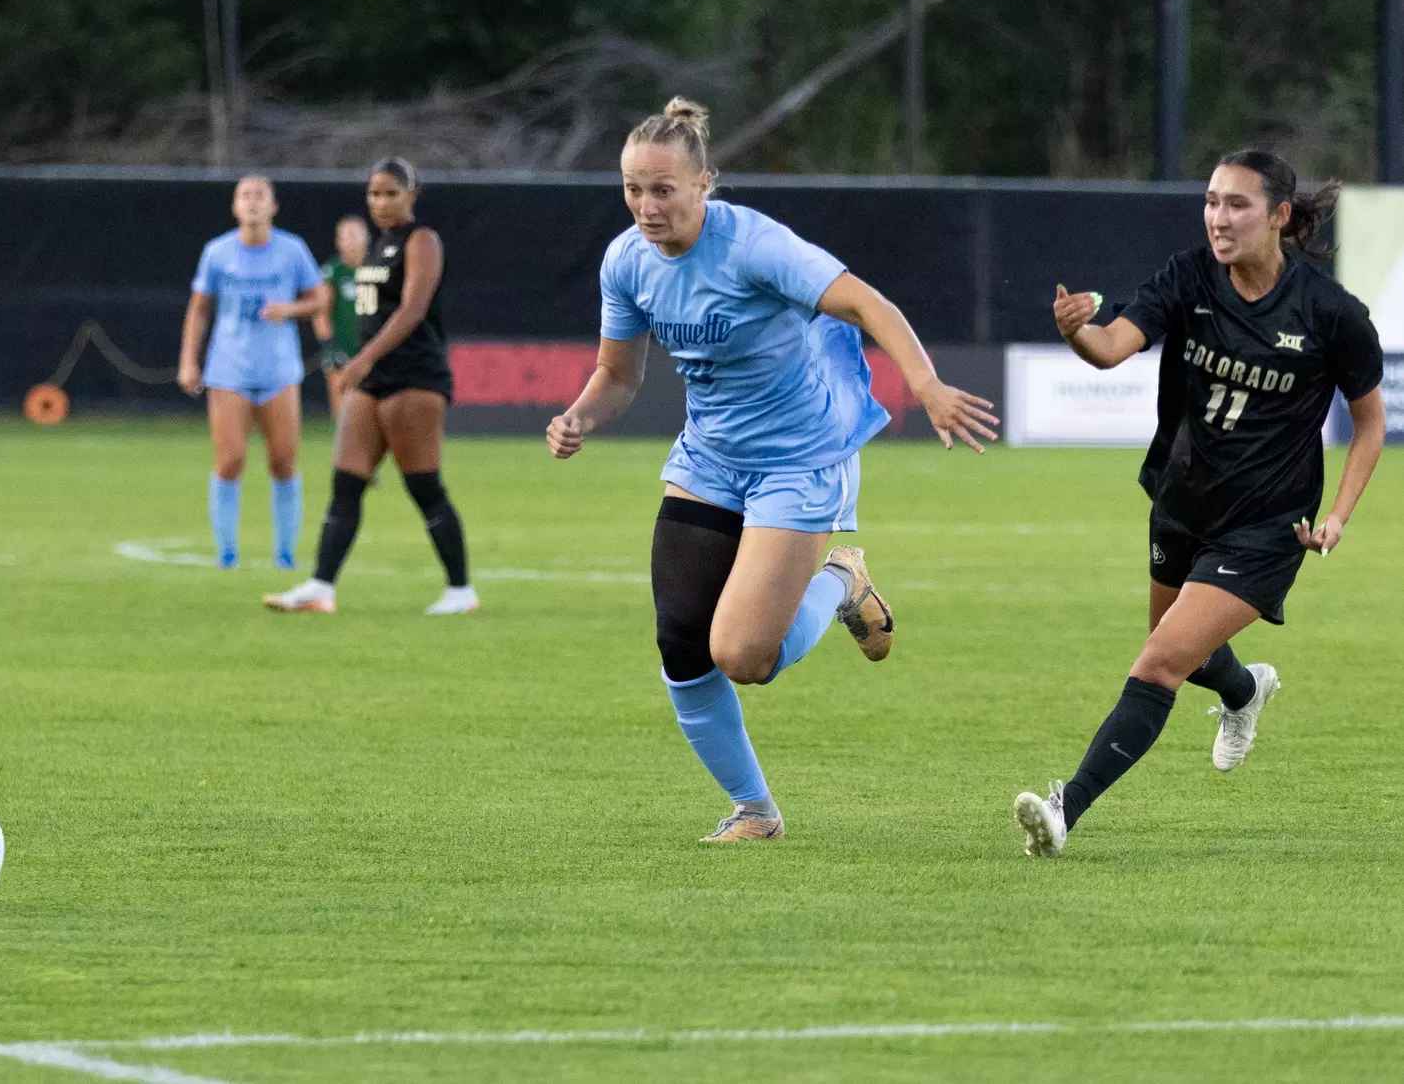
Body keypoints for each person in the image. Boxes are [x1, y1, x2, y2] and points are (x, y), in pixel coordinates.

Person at [547, 98, 999, 843]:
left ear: (704, 185)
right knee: (681, 640)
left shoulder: (753, 246)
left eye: (663, 189)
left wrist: (924, 385)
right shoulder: (625, 261)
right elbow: (618, 376)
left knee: (745, 658)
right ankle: (755, 811)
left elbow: (867, 303)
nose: (646, 206)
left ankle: (843, 580)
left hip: (799, 458)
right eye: (632, 189)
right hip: (710, 460)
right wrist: (578, 417)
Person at [1014, 149, 1386, 858]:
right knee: (1182, 658)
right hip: (1181, 504)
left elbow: (1369, 423)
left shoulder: (1330, 313)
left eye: (1237, 204)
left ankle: (1065, 810)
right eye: (1212, 200)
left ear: (1279, 216)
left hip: (1270, 526)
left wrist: (1338, 514)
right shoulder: (1187, 279)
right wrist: (1074, 332)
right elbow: (1112, 347)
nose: (1219, 216)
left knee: (1157, 662)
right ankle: (1244, 691)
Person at [264, 158, 477, 615]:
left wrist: (364, 357)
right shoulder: (378, 246)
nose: (380, 202)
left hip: (414, 376)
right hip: (374, 380)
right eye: (374, 194)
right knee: (346, 483)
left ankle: (461, 591)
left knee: (423, 485)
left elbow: (413, 309)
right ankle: (321, 587)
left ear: (412, 194)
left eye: (391, 193)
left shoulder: (422, 240)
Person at [179, 175, 331, 569]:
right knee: (230, 461)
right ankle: (227, 554)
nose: (252, 203)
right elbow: (199, 308)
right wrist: (188, 361)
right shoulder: (217, 252)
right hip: (228, 369)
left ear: (273, 207)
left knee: (283, 462)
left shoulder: (292, 250)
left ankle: (285, 555)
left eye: (259, 196)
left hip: (279, 370)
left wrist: (289, 309)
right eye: (244, 196)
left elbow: (318, 300)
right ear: (234, 206)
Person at [312, 214, 372, 418]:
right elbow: (321, 312)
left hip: (371, 350)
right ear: (338, 241)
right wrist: (329, 346)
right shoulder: (333, 271)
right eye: (347, 236)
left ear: (367, 238)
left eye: (356, 235)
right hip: (342, 351)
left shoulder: (377, 268)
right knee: (343, 411)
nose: (352, 240)